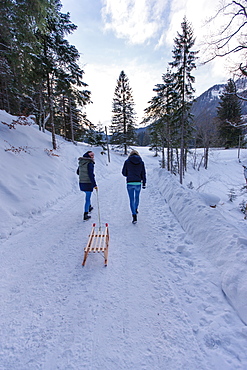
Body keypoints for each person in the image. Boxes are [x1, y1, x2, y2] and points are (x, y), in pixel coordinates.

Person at [122, 150, 146, 224]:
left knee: (131, 199)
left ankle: (134, 215)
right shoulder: (141, 162)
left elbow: (123, 172)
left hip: (130, 182)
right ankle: (136, 208)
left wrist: (129, 175)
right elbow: (143, 173)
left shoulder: (127, 161)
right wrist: (144, 183)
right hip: (138, 182)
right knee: (137, 197)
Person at [77, 151, 97, 221]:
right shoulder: (90, 163)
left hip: (81, 182)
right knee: (87, 198)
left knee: (87, 195)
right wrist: (94, 185)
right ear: (88, 155)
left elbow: (78, 172)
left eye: (93, 155)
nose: (93, 156)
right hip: (88, 182)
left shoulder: (81, 162)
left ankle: (89, 207)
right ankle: (85, 214)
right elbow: (90, 174)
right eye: (91, 155)